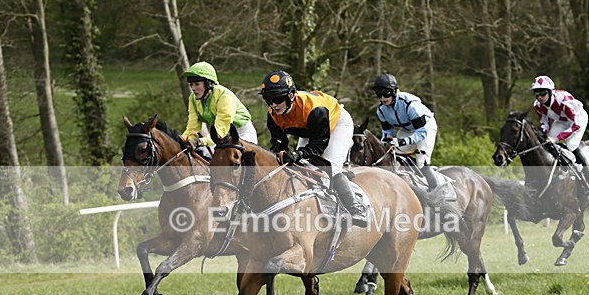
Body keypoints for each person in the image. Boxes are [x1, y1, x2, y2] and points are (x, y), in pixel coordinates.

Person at [260, 70, 366, 225]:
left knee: (331, 168)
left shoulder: (313, 109)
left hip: (336, 124)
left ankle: (356, 209)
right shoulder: (273, 114)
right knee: (298, 166)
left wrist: (297, 153)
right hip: (309, 128)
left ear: (290, 95)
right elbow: (278, 143)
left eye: (277, 99)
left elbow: (319, 144)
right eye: (268, 99)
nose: (273, 105)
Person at [531, 75, 589, 194]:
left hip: (577, 119)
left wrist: (557, 138)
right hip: (562, 121)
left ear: (549, 91)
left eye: (542, 93)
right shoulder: (538, 105)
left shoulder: (564, 101)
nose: (539, 97)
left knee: (571, 145)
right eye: (536, 94)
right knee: (548, 143)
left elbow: (575, 125)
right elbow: (544, 122)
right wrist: (543, 133)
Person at [371, 73, 440, 190]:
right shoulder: (381, 110)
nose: (382, 98)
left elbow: (422, 132)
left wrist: (403, 141)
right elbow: (387, 130)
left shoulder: (410, 105)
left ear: (393, 91)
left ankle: (437, 194)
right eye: (379, 94)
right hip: (407, 130)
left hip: (425, 127)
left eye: (385, 93)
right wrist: (386, 142)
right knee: (392, 157)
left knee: (422, 162)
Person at [180, 61, 258, 147]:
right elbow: (192, 127)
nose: (193, 88)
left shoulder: (224, 96)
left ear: (208, 84)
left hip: (241, 133)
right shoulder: (193, 98)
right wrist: (184, 139)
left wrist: (200, 142)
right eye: (191, 85)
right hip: (219, 136)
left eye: (197, 84)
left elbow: (220, 130)